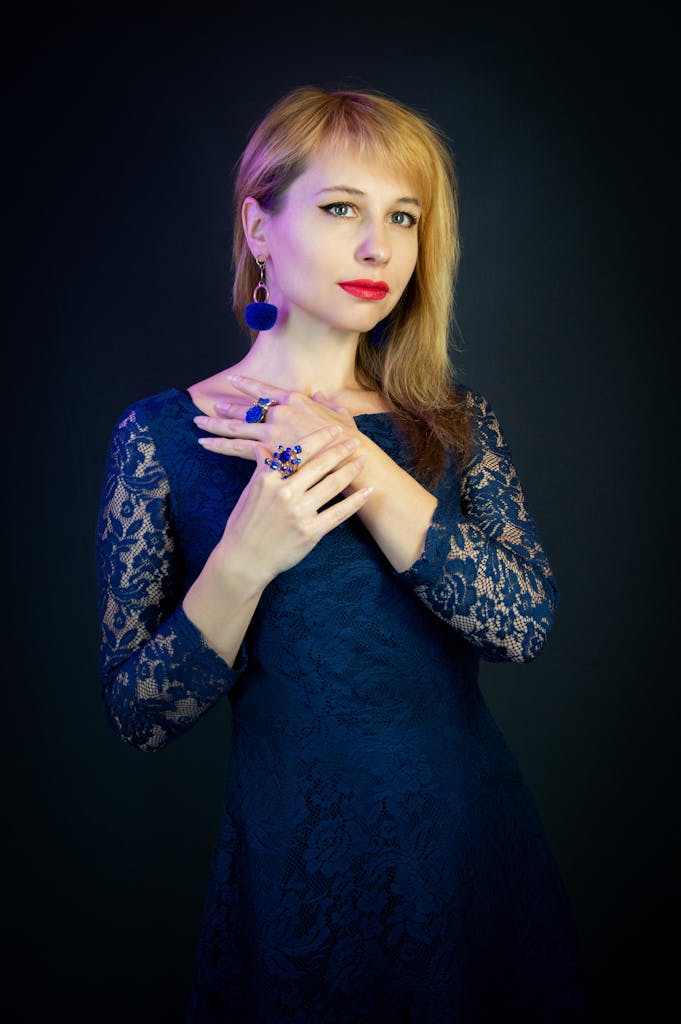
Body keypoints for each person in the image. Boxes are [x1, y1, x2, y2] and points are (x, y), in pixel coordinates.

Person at [96, 86, 585, 1023]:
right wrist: (246, 554)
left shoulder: (454, 425)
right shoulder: (161, 436)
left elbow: (522, 627)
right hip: (294, 867)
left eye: (402, 217)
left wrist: (358, 462)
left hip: (466, 852)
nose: (379, 247)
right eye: (339, 209)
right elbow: (139, 716)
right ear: (259, 225)